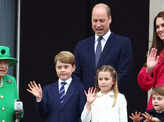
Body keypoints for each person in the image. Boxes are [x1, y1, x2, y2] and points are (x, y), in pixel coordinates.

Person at [73, 2, 133, 93]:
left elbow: (124, 73)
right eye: (95, 20)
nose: (98, 25)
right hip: (87, 101)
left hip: (112, 100)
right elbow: (76, 75)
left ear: (110, 19)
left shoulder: (123, 43)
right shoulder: (81, 46)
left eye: (101, 20)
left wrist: (105, 93)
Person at [27, 51, 86, 122]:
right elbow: (42, 113)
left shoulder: (79, 88)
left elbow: (83, 114)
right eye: (59, 67)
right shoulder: (48, 89)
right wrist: (39, 98)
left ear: (73, 68)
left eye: (66, 67)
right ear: (55, 68)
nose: (62, 70)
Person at [138, 11, 164, 110]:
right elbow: (144, 86)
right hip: (156, 108)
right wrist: (149, 69)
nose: (160, 29)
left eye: (163, 25)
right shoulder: (156, 52)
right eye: (157, 27)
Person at [0, 46, 23, 122]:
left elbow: (16, 105)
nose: (3, 66)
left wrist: (19, 112)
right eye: (0, 62)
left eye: (6, 62)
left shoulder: (11, 81)